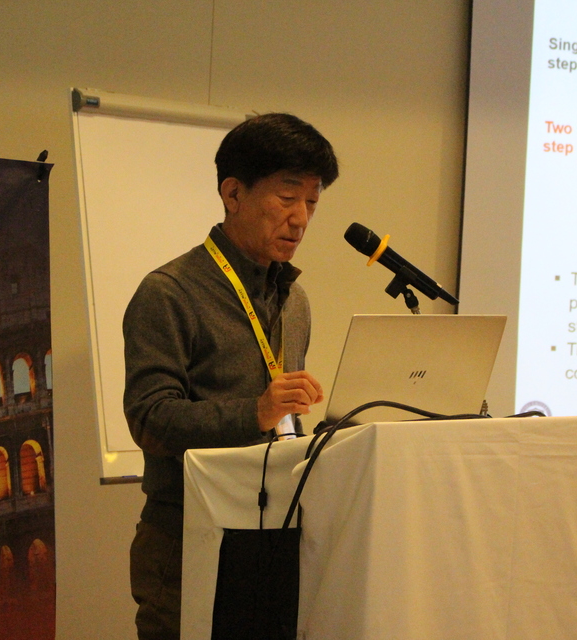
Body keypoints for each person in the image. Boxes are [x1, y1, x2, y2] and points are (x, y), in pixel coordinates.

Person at [122, 112, 339, 640]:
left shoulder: (295, 300)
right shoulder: (169, 292)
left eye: (312, 202)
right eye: (287, 198)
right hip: (189, 539)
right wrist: (256, 412)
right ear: (234, 193)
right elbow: (150, 419)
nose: (301, 219)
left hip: (276, 537)